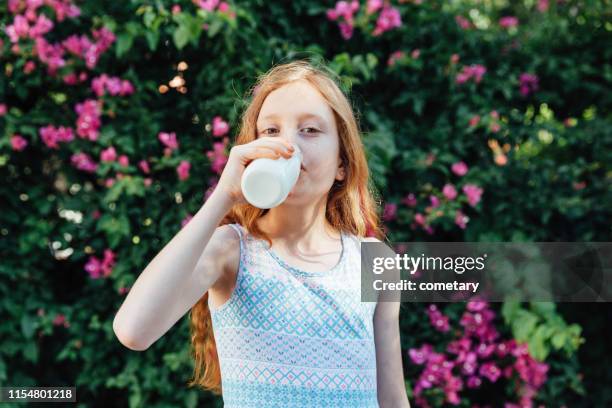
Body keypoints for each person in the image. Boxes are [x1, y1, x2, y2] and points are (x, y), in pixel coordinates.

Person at [113, 59, 410, 407]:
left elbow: (391, 396)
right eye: (271, 131)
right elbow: (134, 330)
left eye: (310, 130)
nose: (288, 146)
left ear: (342, 163)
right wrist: (223, 197)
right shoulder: (230, 251)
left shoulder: (375, 262)